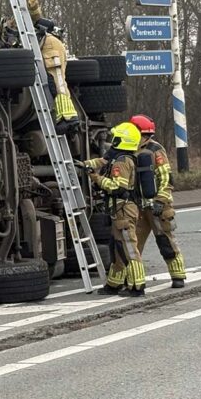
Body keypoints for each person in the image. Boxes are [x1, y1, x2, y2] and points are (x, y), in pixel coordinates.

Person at [0, 0, 79, 134]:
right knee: (51, 84)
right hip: (40, 53)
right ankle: (61, 118)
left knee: (56, 81)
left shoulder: (10, 26)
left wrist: (32, 4)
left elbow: (29, 16)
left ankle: (69, 119)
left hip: (49, 47)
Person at [82, 122, 146, 297]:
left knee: (129, 248)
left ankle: (137, 285)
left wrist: (95, 177)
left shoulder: (121, 163)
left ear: (122, 140)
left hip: (123, 209)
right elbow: (102, 161)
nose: (113, 140)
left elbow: (117, 187)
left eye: (116, 137)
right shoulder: (121, 158)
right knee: (117, 248)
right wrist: (84, 164)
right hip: (120, 210)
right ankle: (115, 284)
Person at [130, 114, 187, 288]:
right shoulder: (130, 150)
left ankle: (178, 276)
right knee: (132, 245)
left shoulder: (156, 151)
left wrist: (160, 200)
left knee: (165, 241)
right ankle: (132, 279)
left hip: (157, 206)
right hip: (139, 206)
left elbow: (166, 179)